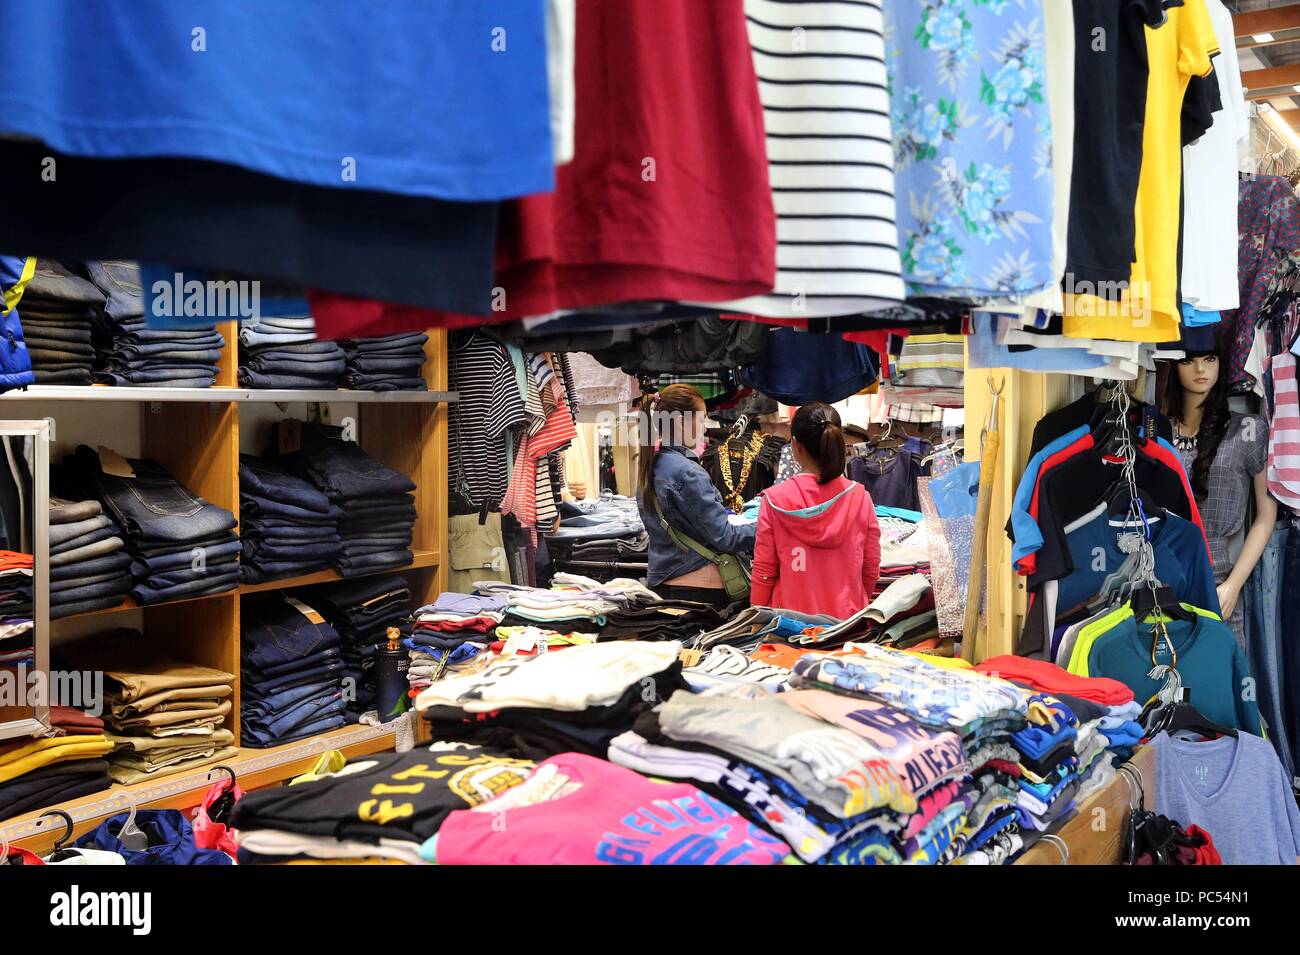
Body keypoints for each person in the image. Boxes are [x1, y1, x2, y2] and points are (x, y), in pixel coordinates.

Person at [1161, 340, 1276, 649]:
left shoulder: (1248, 431)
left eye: (1210, 359)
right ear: (1173, 365)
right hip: (1158, 580)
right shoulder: (1157, 433)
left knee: (1222, 685)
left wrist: (1233, 585)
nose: (1201, 369)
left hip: (1219, 582)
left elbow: (1267, 516)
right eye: (1189, 361)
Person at [751, 402, 880, 618]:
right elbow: (870, 569)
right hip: (846, 626)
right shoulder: (860, 498)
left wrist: (755, 619)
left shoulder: (774, 500)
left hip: (787, 626)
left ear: (795, 445)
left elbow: (765, 571)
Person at [637, 384, 756, 609]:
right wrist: (768, 526)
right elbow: (725, 537)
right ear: (682, 422)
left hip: (664, 580)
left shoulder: (650, 468)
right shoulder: (687, 472)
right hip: (700, 590)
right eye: (701, 420)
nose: (703, 429)